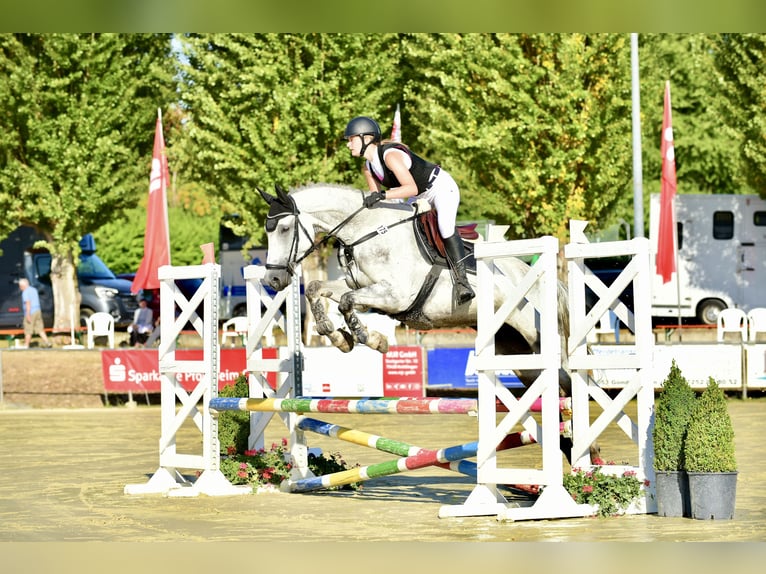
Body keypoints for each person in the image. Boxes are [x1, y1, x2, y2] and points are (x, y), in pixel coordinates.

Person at [344, 115, 475, 305]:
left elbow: (410, 188)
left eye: (351, 139)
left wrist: (383, 196)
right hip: (419, 195)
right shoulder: (368, 167)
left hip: (439, 188)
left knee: (445, 227)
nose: (348, 145)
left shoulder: (390, 156)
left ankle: (463, 282)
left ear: (366, 138)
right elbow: (377, 199)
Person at [19, 278, 52, 348]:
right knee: (40, 328)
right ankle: (47, 342)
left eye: (20, 286)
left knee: (28, 329)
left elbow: (28, 303)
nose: (20, 287)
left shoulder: (25, 292)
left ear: (22, 286)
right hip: (38, 311)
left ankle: (26, 345)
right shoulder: (34, 290)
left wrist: (28, 314)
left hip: (31, 311)